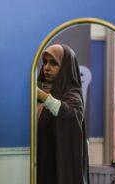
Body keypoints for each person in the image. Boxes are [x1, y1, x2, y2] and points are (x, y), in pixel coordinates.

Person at [37, 44, 89, 184]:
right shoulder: (43, 94)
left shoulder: (73, 94)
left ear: (65, 67)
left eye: (54, 63)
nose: (46, 68)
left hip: (62, 171)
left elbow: (72, 116)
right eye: (45, 62)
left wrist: (41, 96)